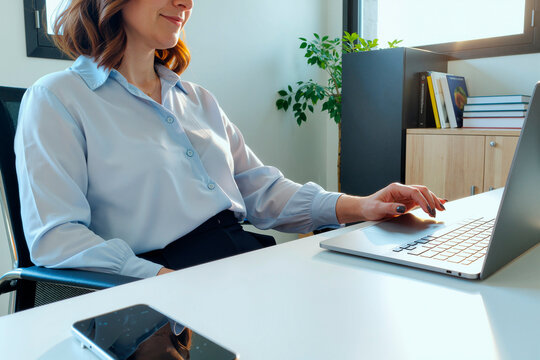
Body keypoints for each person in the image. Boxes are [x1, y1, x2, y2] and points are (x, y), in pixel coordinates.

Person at [14, 0, 445, 279]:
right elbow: (56, 237)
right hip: (164, 280)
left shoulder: (197, 98)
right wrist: (157, 278)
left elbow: (261, 191)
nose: (185, 3)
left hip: (242, 259)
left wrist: (363, 205)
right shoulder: (58, 99)